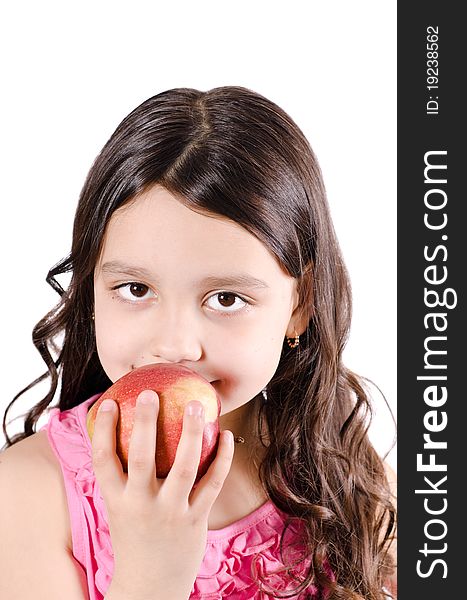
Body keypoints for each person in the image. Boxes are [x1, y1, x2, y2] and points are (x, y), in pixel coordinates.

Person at [0, 86, 396, 599]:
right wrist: (150, 579)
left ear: (300, 306)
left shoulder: (339, 469)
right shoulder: (29, 495)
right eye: (136, 289)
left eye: (226, 298)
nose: (175, 345)